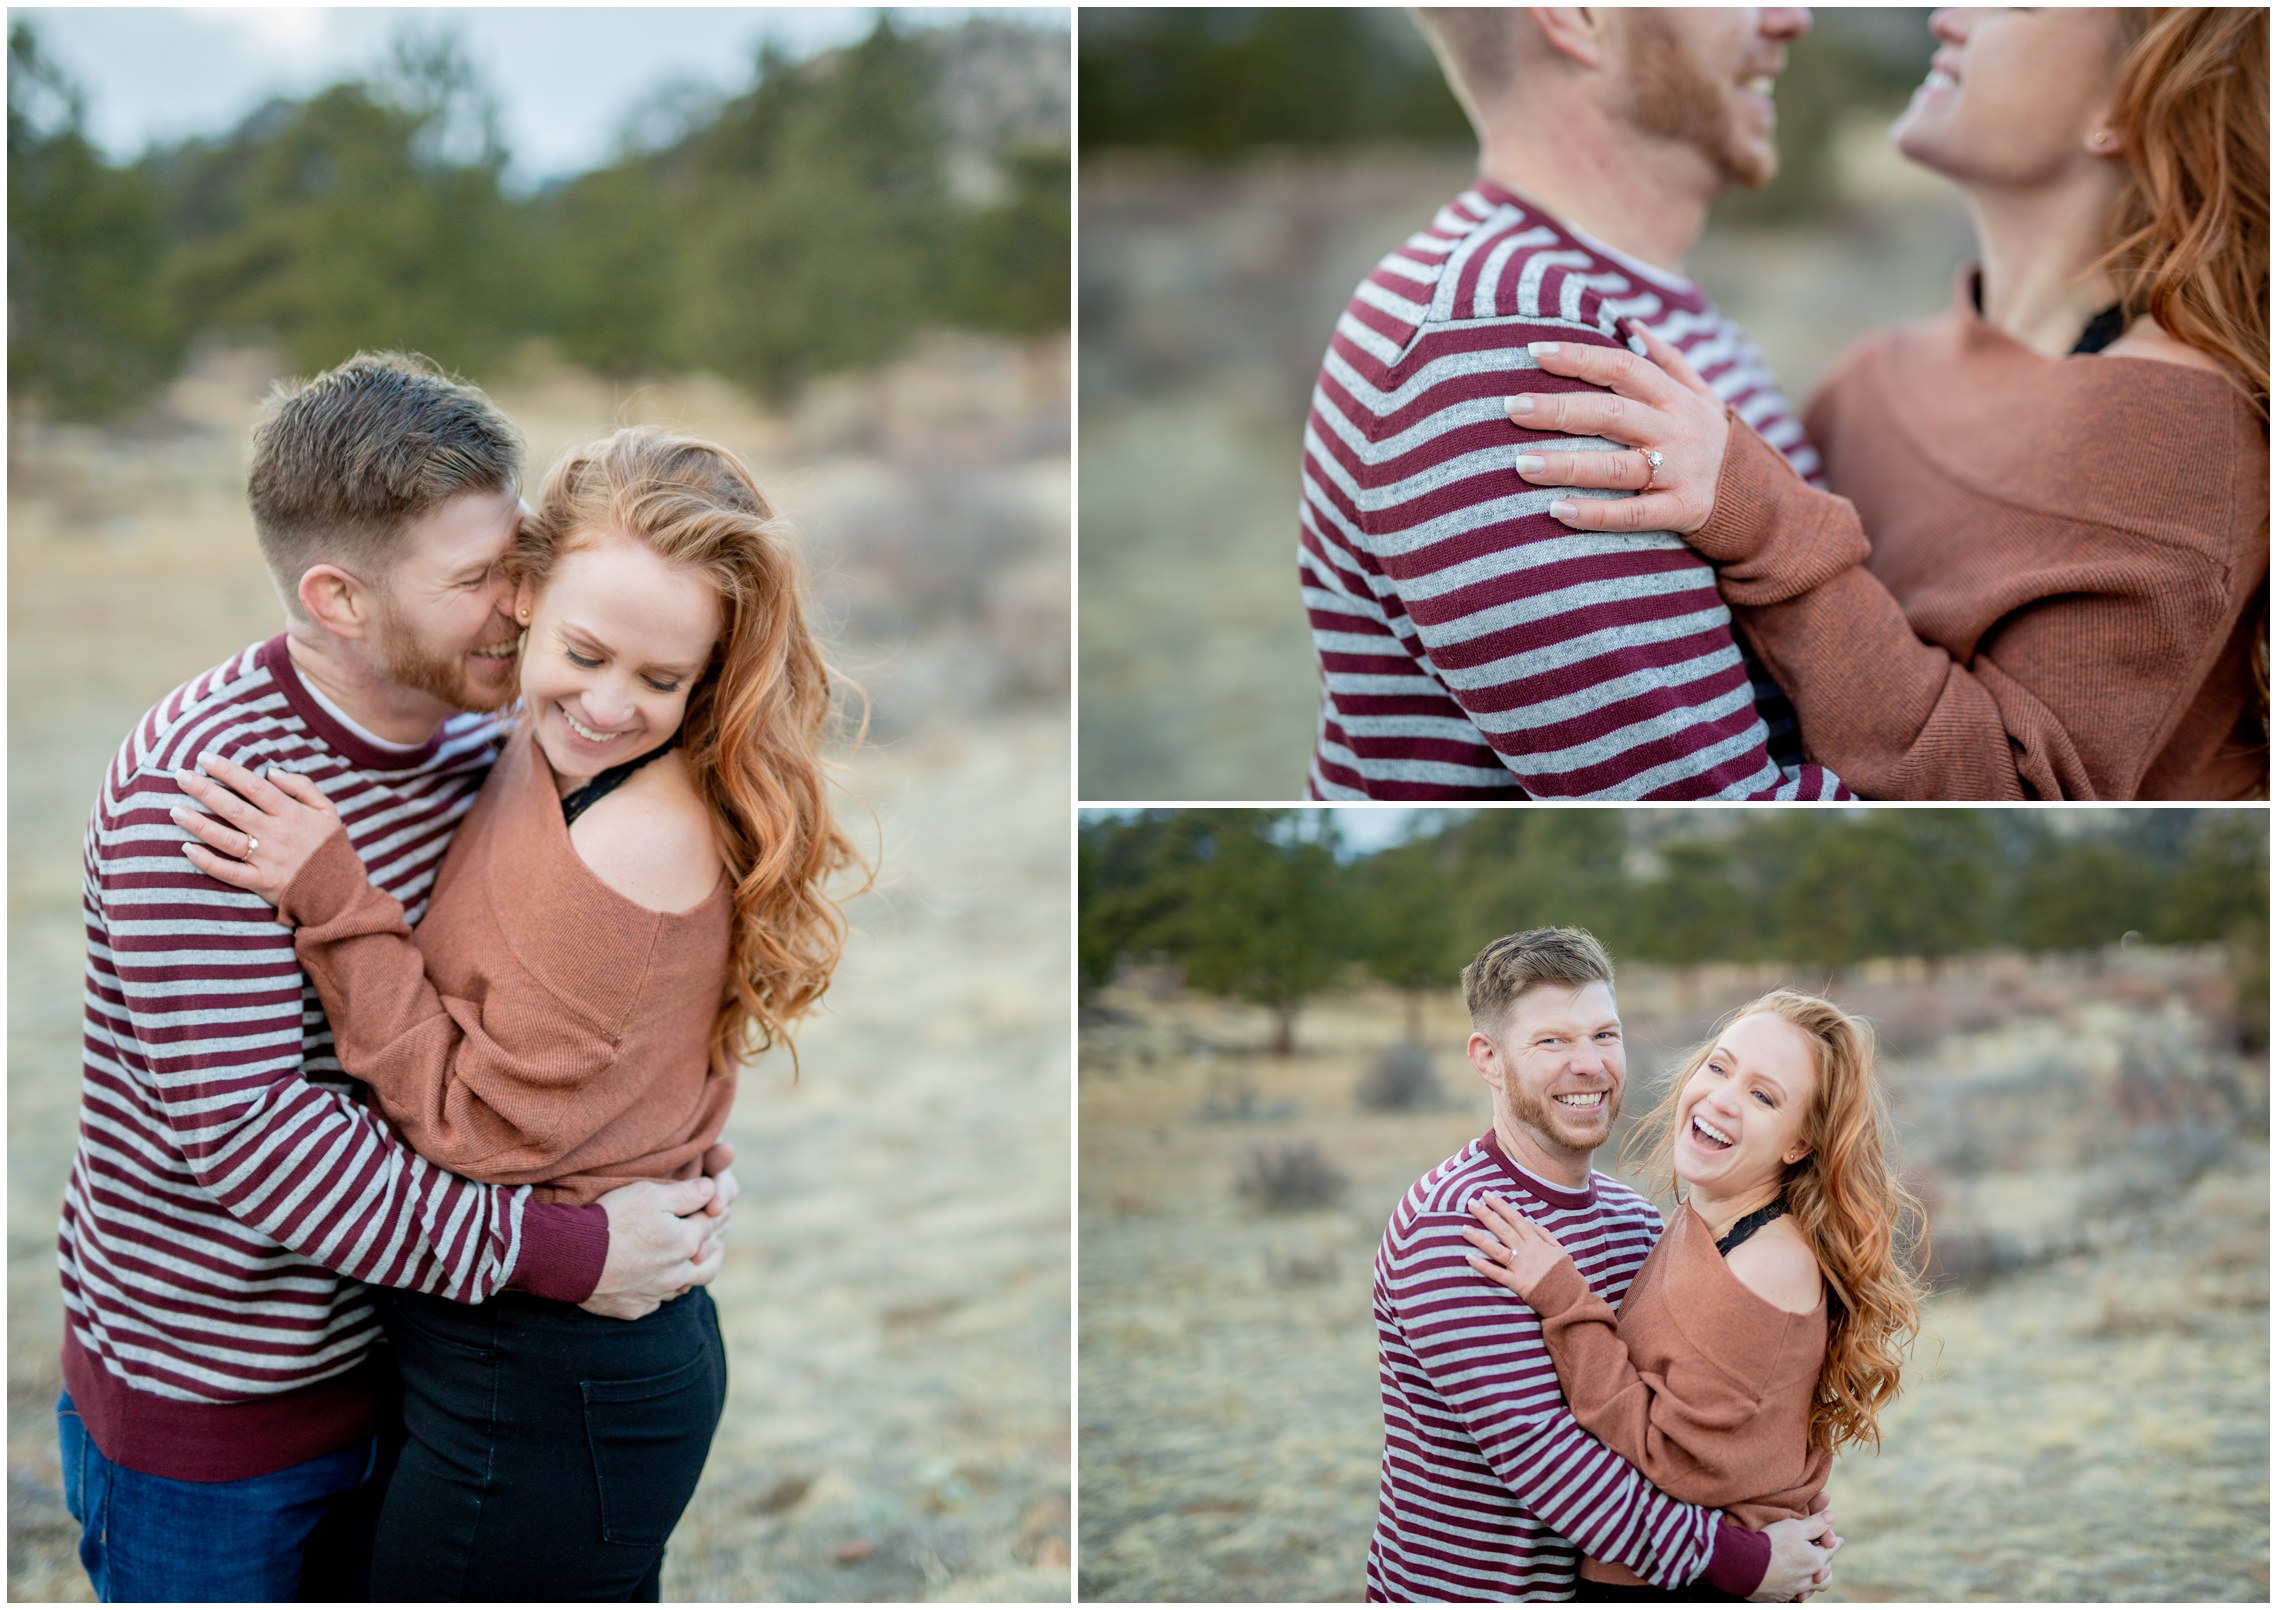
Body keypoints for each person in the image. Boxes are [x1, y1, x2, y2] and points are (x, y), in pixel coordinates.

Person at [53, 355, 737, 1603]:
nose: (520, 606)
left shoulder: (501, 734)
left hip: (423, 1361)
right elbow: (260, 1139)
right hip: (230, 1411)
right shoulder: (205, 796)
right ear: (341, 597)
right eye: (478, 580)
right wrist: (563, 1248)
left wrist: (653, 1137)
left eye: (518, 556)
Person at [174, 423, 863, 1598]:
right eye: (584, 652)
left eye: (661, 679)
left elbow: (484, 1134)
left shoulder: (638, 833)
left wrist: (330, 893)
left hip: (556, 1380)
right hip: (501, 1342)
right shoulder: (537, 745)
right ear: (525, 597)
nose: (604, 703)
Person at [1506, 7, 2270, 798]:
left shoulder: (2172, 422)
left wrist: (1759, 515)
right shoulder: (1868, 377)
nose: (1945, 15)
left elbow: (2013, 799)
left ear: (2128, 104)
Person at [1301, 8, 1849, 801]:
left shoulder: (1633, 310)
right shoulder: (1501, 340)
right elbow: (1713, 804)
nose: (1790, 17)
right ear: (1578, 15)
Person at [1369, 927, 1842, 1603]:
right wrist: (1743, 1560)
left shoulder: (1634, 1221)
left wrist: (1787, 1514)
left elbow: (1679, 1424)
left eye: (1603, 1035)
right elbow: (1549, 1463)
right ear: (1488, 1059)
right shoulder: (1455, 1226)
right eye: (1550, 1042)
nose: (1587, 1065)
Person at [1463, 991, 1925, 1600]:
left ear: (1800, 1144)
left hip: (1686, 1584)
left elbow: (1673, 1458)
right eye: (1720, 1066)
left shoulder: (1767, 1265)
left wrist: (1562, 1297)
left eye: (1763, 1096)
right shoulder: (1706, 1215)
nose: (1721, 1100)